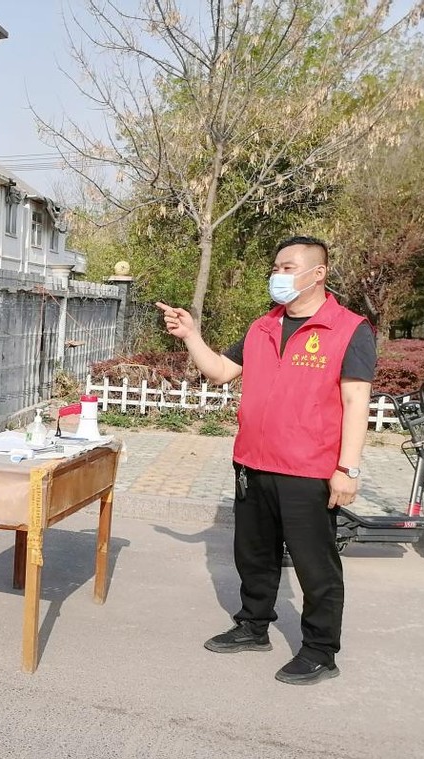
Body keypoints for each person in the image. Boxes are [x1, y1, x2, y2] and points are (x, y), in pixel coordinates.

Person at [158, 235, 376, 685]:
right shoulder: (262, 327)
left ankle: (319, 650)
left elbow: (357, 401)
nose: (278, 275)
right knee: (253, 555)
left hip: (309, 470)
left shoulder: (349, 329)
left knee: (315, 565)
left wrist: (347, 469)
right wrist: (191, 335)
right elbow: (220, 372)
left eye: (288, 266)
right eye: (276, 267)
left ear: (318, 273)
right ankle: (253, 626)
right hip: (253, 464)